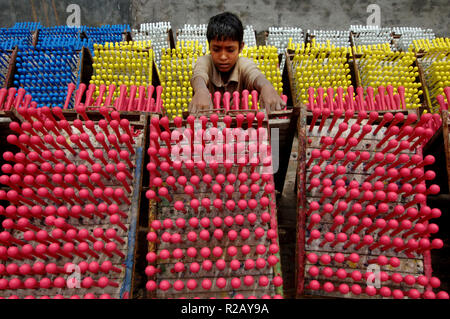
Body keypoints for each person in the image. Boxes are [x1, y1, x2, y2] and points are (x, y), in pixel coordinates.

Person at [189, 12, 285, 114]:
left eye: (230, 50)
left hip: (240, 126)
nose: (223, 57)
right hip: (209, 127)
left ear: (241, 47)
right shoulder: (205, 61)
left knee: (275, 130)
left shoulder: (243, 64)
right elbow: (199, 74)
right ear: (209, 47)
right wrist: (201, 90)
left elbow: (254, 74)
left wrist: (266, 86)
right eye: (216, 49)